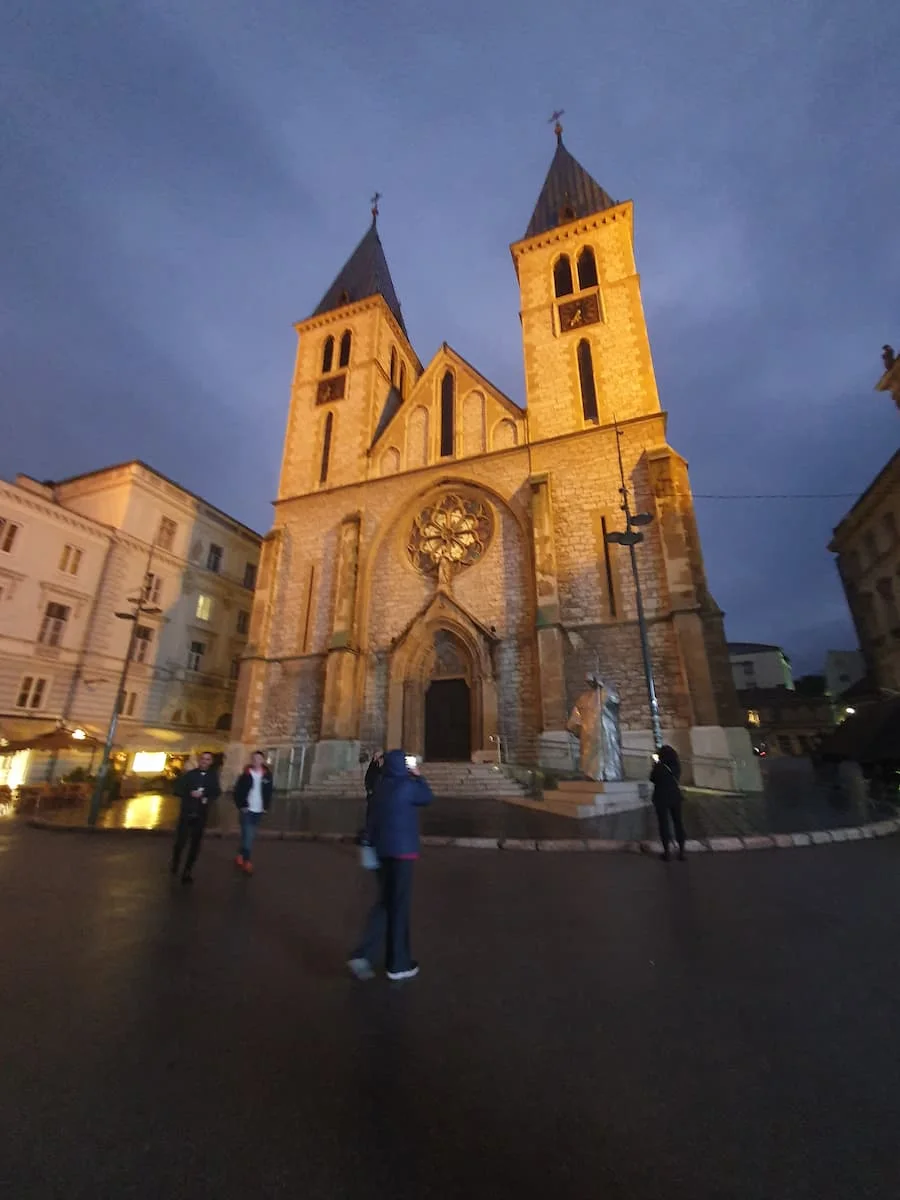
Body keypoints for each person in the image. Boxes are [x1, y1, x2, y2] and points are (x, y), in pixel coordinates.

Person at [348, 750, 433, 981]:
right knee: (399, 907)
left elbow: (371, 819)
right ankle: (398, 964)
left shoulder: (380, 788)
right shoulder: (407, 787)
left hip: (382, 852)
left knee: (386, 903)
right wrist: (418, 775)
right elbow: (427, 797)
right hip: (402, 854)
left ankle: (364, 954)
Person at [171, 751, 221, 884]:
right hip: (186, 813)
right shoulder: (190, 775)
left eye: (208, 759)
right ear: (199, 761)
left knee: (195, 844)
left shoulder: (212, 777)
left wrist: (205, 795)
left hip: (201, 815)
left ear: (211, 762)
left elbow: (216, 792)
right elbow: (177, 790)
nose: (205, 761)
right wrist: (190, 793)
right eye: (203, 759)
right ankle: (175, 863)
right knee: (180, 842)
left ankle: (188, 870)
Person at [232, 750, 273, 875]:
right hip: (247, 810)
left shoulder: (267, 775)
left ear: (262, 760)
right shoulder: (245, 774)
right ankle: (247, 861)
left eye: (259, 759)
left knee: (248, 835)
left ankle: (240, 855)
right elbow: (237, 791)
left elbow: (269, 792)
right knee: (249, 835)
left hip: (259, 810)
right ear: (252, 760)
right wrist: (242, 805)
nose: (256, 761)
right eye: (254, 759)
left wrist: (266, 806)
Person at [651, 744, 686, 862]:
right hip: (675, 797)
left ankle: (667, 852)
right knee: (678, 823)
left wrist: (656, 764)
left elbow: (652, 778)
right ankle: (681, 851)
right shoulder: (676, 766)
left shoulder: (659, 766)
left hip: (661, 797)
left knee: (664, 824)